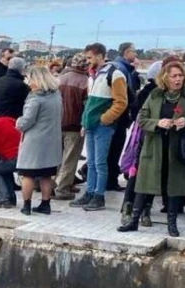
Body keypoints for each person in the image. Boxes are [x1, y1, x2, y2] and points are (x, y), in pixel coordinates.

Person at [118, 60, 185, 236]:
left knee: (173, 186)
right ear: (165, 77)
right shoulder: (155, 95)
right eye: (174, 76)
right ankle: (134, 220)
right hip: (153, 147)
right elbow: (141, 119)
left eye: (180, 76)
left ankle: (172, 224)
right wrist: (158, 123)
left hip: (176, 149)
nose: (178, 79)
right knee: (144, 184)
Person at [70, 43, 128, 211]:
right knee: (92, 162)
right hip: (91, 124)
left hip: (103, 125)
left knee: (100, 162)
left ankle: (99, 195)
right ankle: (89, 192)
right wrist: (84, 122)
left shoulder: (114, 74)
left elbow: (121, 102)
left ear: (100, 56)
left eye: (89, 57)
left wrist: (105, 119)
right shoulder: (92, 76)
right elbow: (89, 103)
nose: (87, 61)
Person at [15, 66, 63, 215]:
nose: (28, 82)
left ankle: (26, 205)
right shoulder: (57, 95)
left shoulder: (35, 98)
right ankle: (45, 204)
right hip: (52, 140)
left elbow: (27, 121)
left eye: (30, 79)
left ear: (36, 80)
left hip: (34, 142)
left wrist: (18, 122)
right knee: (46, 174)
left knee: (27, 174)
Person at [54, 53, 89, 200]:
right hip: (74, 125)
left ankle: (50, 186)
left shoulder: (59, 79)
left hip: (56, 124)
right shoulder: (86, 81)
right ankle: (62, 189)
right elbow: (87, 106)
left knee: (56, 158)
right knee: (70, 159)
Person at [106, 42, 140, 193]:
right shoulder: (121, 69)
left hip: (118, 115)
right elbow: (126, 94)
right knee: (114, 148)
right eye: (134, 51)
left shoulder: (124, 68)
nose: (136, 54)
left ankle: (110, 178)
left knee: (112, 148)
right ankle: (110, 179)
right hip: (118, 116)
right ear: (126, 52)